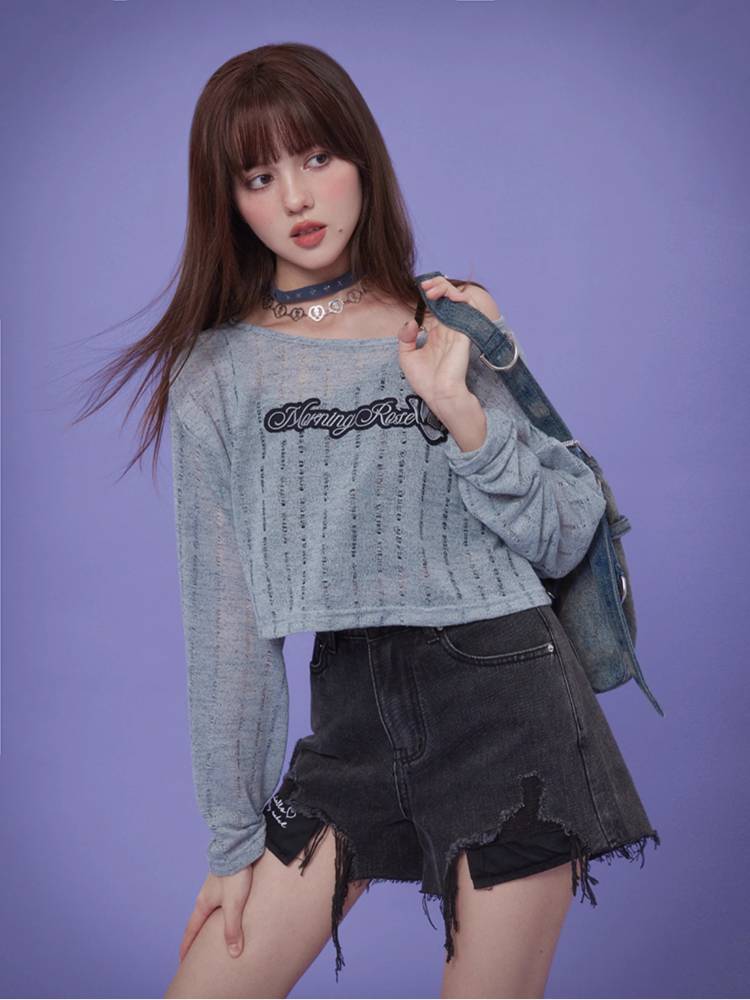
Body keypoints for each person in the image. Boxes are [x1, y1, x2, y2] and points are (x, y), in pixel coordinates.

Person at [76, 41, 660, 999]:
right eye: (259, 176)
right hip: (351, 717)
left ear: (362, 160)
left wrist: (462, 407)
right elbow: (228, 624)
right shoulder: (217, 373)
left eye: (317, 158)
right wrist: (233, 841)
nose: (297, 198)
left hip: (509, 708)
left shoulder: (444, 325)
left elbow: (564, 532)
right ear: (230, 202)